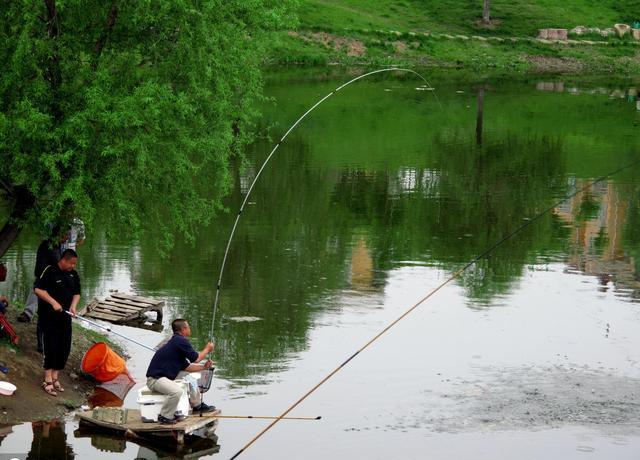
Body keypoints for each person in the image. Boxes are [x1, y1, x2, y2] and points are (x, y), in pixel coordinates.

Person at [146, 319, 216, 423]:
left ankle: (197, 405)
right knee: (176, 392)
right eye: (188, 327)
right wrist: (207, 349)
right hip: (155, 379)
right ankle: (165, 416)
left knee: (189, 377)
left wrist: (204, 367)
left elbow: (187, 367)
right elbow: (196, 358)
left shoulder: (176, 343)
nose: (190, 329)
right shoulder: (180, 341)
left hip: (165, 377)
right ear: (183, 329)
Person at [34, 249, 81, 397]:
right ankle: (47, 379)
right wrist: (53, 302)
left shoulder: (73, 274)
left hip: (65, 317)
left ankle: (55, 377)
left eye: (74, 264)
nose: (73, 266)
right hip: (49, 317)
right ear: (64, 260)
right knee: (51, 346)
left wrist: (73, 306)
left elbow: (77, 293)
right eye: (71, 263)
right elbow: (38, 289)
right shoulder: (50, 271)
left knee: (64, 347)